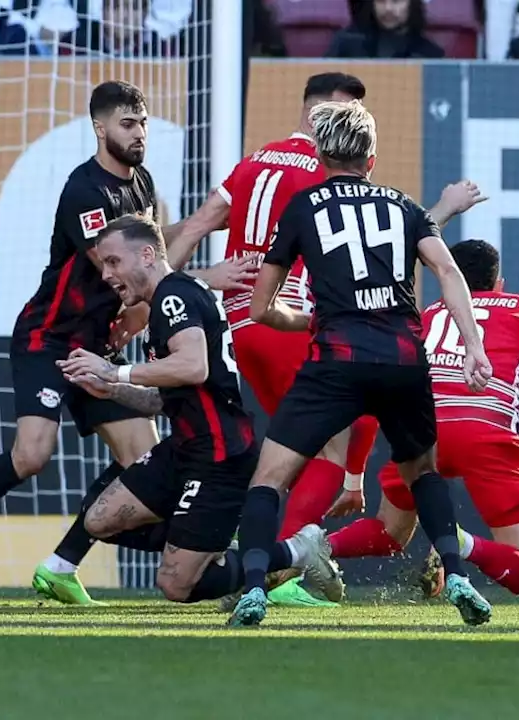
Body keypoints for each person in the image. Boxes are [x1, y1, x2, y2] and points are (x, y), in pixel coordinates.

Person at [0, 81, 249, 607]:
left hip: (99, 345)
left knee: (142, 457)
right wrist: (202, 257)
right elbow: (123, 262)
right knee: (32, 455)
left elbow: (148, 249)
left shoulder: (141, 183)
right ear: (100, 128)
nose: (139, 134)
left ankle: (61, 565)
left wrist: (191, 231)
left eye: (144, 123)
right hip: (50, 338)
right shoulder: (85, 190)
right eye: (128, 124)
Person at [167, 71, 486, 607]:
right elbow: (442, 271)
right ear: (371, 158)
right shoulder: (401, 206)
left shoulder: (283, 186)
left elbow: (245, 281)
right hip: (402, 354)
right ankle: (453, 574)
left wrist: (187, 285)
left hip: (301, 342)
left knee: (273, 471)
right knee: (414, 469)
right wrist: (473, 345)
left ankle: (253, 585)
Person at [57, 215, 343, 606]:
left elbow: (194, 366)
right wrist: (111, 390)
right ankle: (211, 541)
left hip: (219, 455)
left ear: (146, 254)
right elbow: (163, 398)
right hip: (185, 448)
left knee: (176, 587)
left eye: (113, 262)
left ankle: (295, 552)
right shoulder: (169, 300)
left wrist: (113, 368)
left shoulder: (175, 296)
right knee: (99, 520)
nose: (106, 274)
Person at [326, 240, 519, 602]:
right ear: (498, 282)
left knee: (389, 532)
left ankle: (305, 551)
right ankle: (458, 542)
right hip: (485, 433)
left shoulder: (429, 314)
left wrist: (355, 475)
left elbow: (379, 393)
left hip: (422, 432)